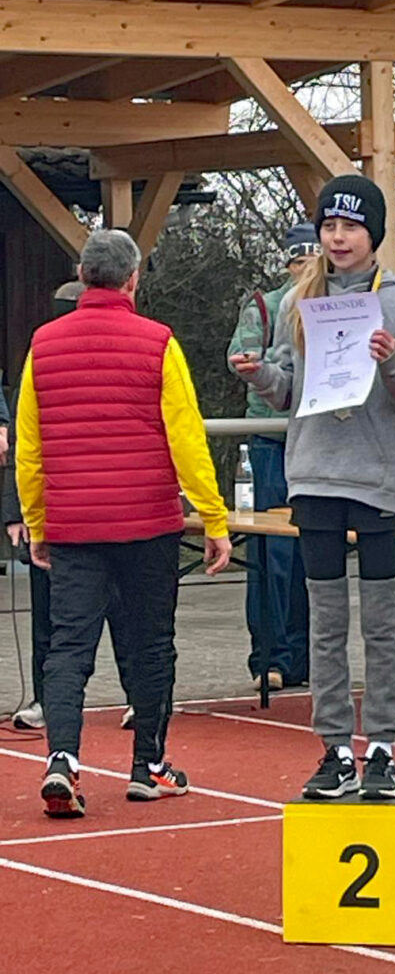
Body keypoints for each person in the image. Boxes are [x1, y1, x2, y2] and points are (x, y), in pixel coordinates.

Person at [231, 175, 395, 800]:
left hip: (378, 476)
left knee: (380, 620)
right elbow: (288, 391)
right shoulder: (299, 300)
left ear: (374, 234)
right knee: (324, 619)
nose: (338, 238)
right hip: (315, 472)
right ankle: (335, 748)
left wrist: (393, 360)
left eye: (350, 227)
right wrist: (259, 374)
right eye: (329, 227)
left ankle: (382, 746)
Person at [16, 230, 232, 818]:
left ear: (81, 276)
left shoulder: (43, 345)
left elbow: (30, 449)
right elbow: (186, 439)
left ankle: (62, 758)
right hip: (147, 521)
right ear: (133, 279)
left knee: (68, 646)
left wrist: (37, 521)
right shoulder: (158, 343)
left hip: (74, 523)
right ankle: (148, 765)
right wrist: (213, 517)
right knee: (151, 645)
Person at [6, 281, 134, 732]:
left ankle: (138, 694)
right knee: (52, 615)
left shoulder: (126, 352)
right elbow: (23, 442)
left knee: (124, 610)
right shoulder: (43, 355)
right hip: (59, 508)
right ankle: (47, 699)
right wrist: (17, 511)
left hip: (114, 505)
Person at [227, 224, 314, 691]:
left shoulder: (338, 303)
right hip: (270, 440)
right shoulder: (264, 305)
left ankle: (303, 656)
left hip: (318, 438)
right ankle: (271, 656)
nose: (307, 269)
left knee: (310, 554)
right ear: (288, 263)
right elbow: (239, 355)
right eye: (300, 261)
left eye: (313, 260)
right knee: (270, 555)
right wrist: (258, 368)